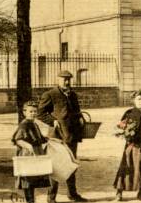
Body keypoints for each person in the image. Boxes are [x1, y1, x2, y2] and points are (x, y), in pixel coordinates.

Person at [37, 70, 87, 203]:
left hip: (71, 136)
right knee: (57, 166)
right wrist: (52, 121)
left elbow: (76, 111)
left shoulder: (73, 95)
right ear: (58, 80)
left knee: (71, 165)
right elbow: (40, 113)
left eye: (69, 79)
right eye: (64, 79)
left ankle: (72, 194)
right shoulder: (50, 94)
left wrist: (80, 118)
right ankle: (51, 198)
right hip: (57, 137)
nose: (67, 82)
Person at [12, 101, 50, 203]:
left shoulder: (34, 124)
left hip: (35, 153)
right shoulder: (24, 125)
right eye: (30, 111)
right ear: (24, 112)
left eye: (35, 111)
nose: (33, 113)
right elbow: (18, 139)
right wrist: (29, 146)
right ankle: (30, 200)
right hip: (27, 155)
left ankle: (31, 200)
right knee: (27, 179)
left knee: (33, 177)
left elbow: (39, 138)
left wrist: (48, 139)